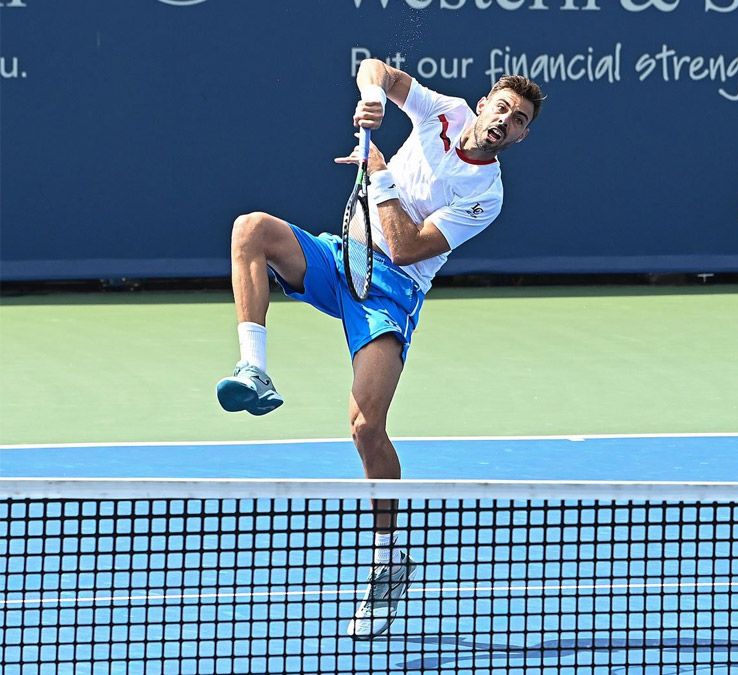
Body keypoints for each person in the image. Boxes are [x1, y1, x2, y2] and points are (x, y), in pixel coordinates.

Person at [213, 59, 545, 638]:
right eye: (503, 108)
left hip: (390, 292)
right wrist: (371, 97)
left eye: (518, 121)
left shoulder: (484, 195)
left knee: (366, 427)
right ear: (486, 101)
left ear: (520, 137)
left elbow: (407, 245)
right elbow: (378, 71)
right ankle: (254, 368)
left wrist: (379, 172)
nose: (505, 121)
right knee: (251, 228)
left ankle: (388, 559)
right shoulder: (446, 110)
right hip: (341, 256)